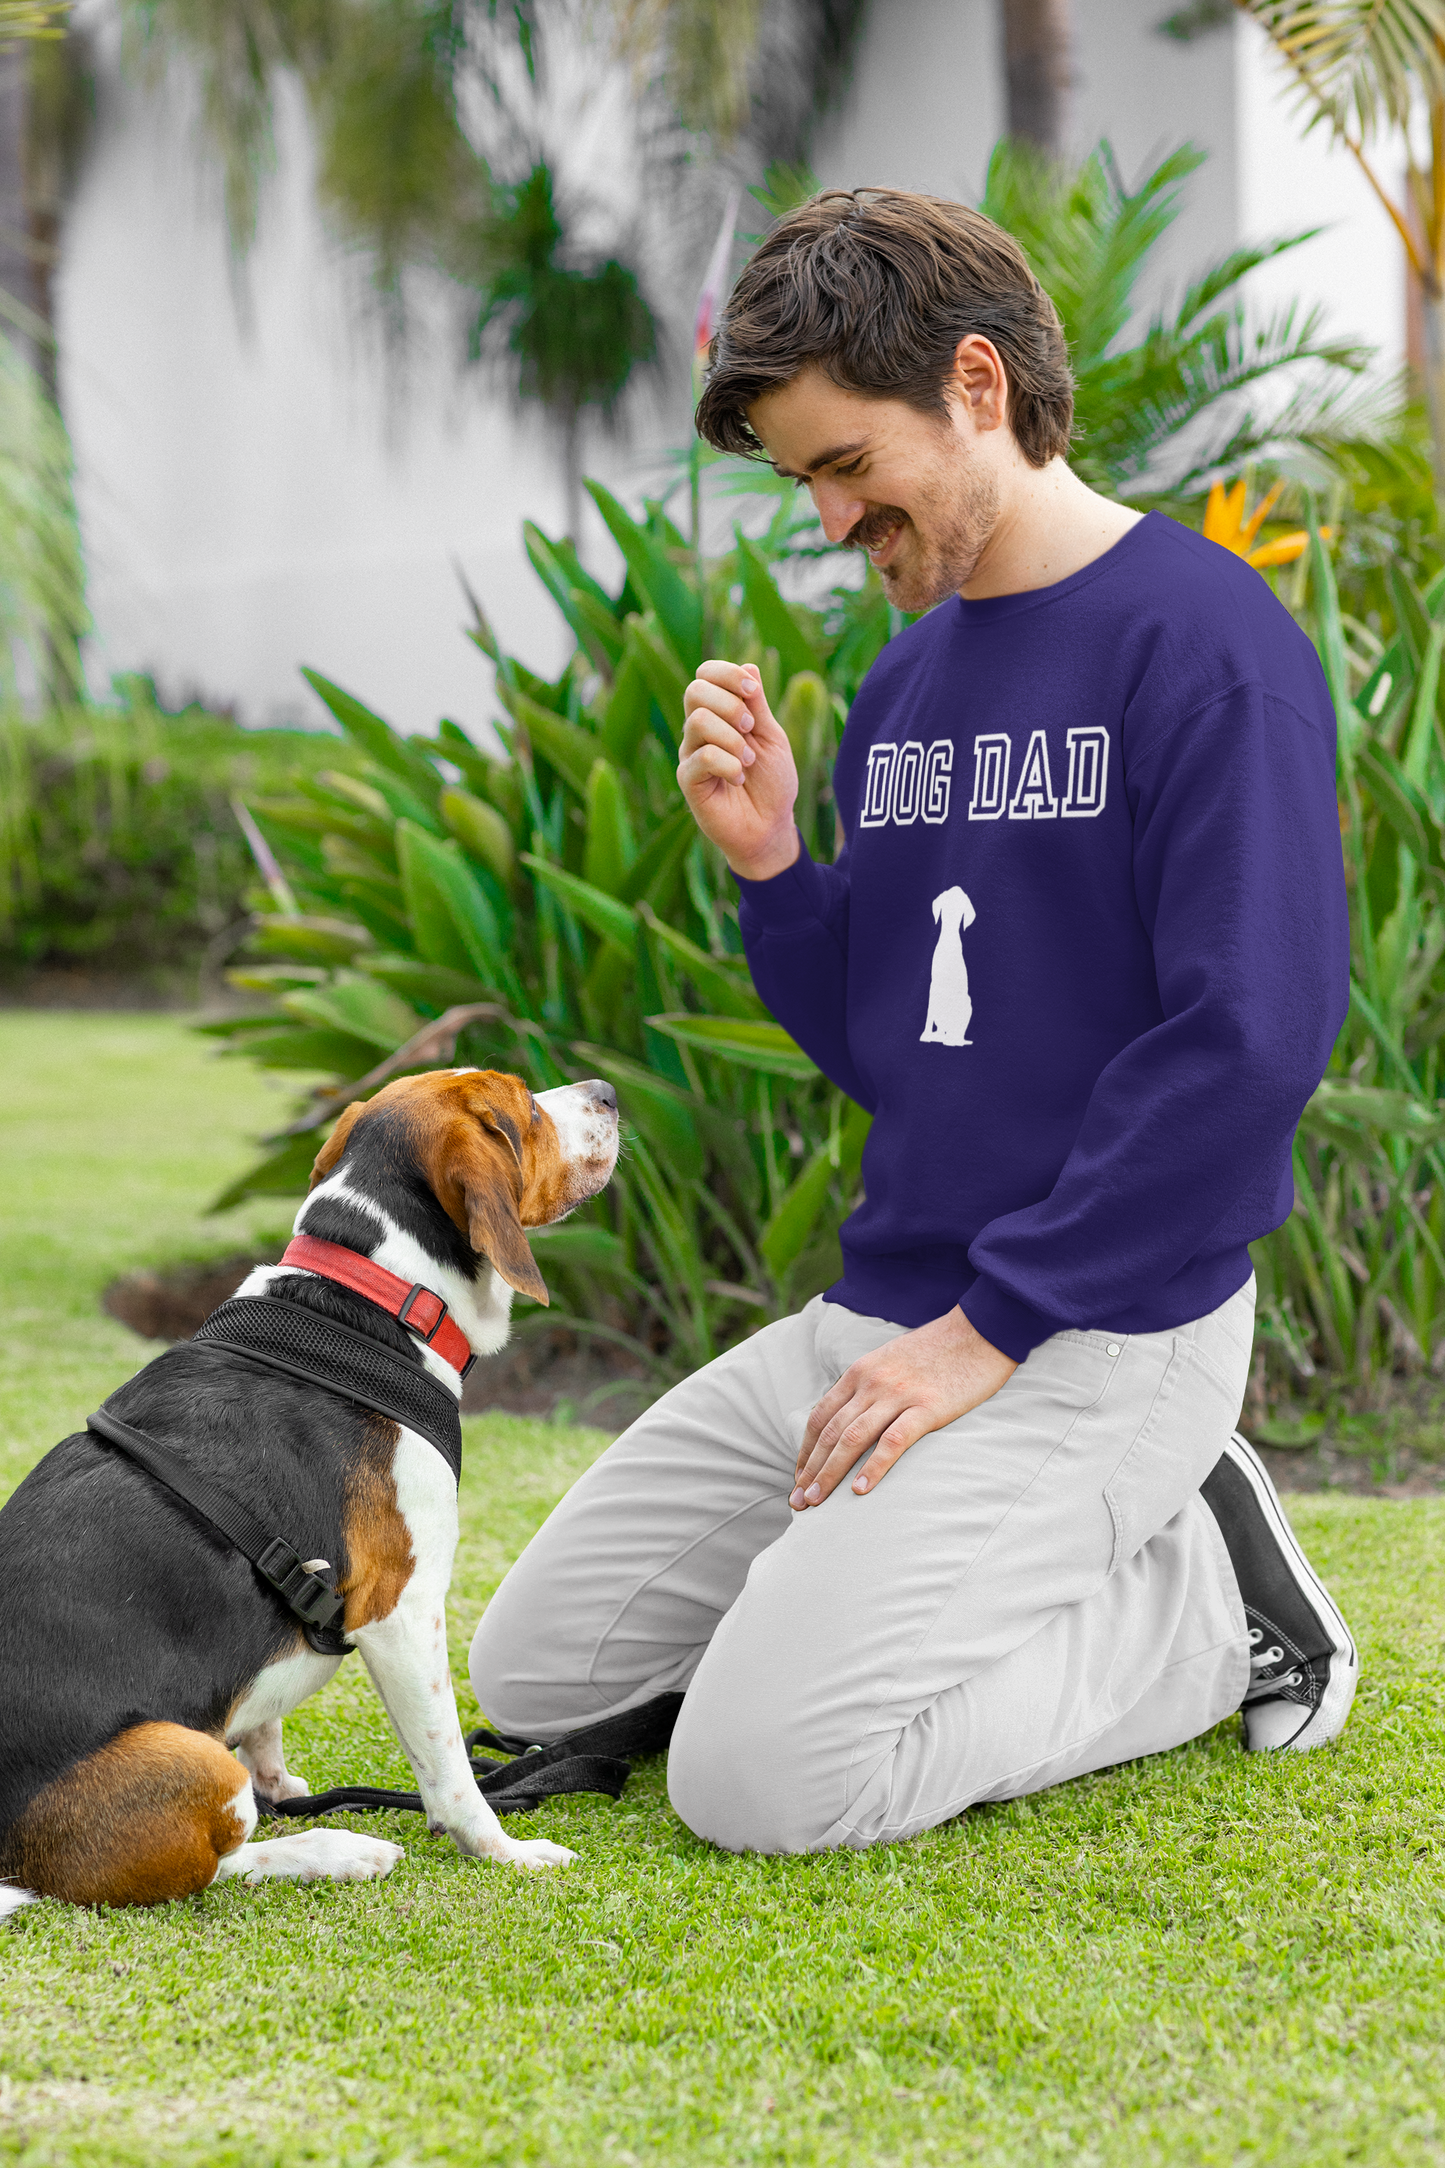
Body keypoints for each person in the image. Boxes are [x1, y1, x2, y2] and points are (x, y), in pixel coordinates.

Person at [468, 189, 1357, 1853]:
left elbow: (1252, 1043)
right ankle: (907, 1589)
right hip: (892, 1311)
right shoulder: (908, 685)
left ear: (974, 384)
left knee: (760, 1784)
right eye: (803, 479)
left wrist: (995, 1328)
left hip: (1104, 1336)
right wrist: (777, 867)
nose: (825, 521)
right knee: (545, 1676)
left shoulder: (1207, 649)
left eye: (843, 464)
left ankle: (1213, 1604)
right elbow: (900, 1049)